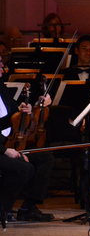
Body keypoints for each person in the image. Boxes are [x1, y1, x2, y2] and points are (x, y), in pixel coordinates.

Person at [0, 56, 53, 222]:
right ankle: (3, 208)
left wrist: (26, 108)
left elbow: (10, 113)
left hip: (9, 140)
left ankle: (28, 207)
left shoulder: (0, 86)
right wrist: (6, 151)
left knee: (45, 157)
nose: (3, 65)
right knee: (23, 167)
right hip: (2, 147)